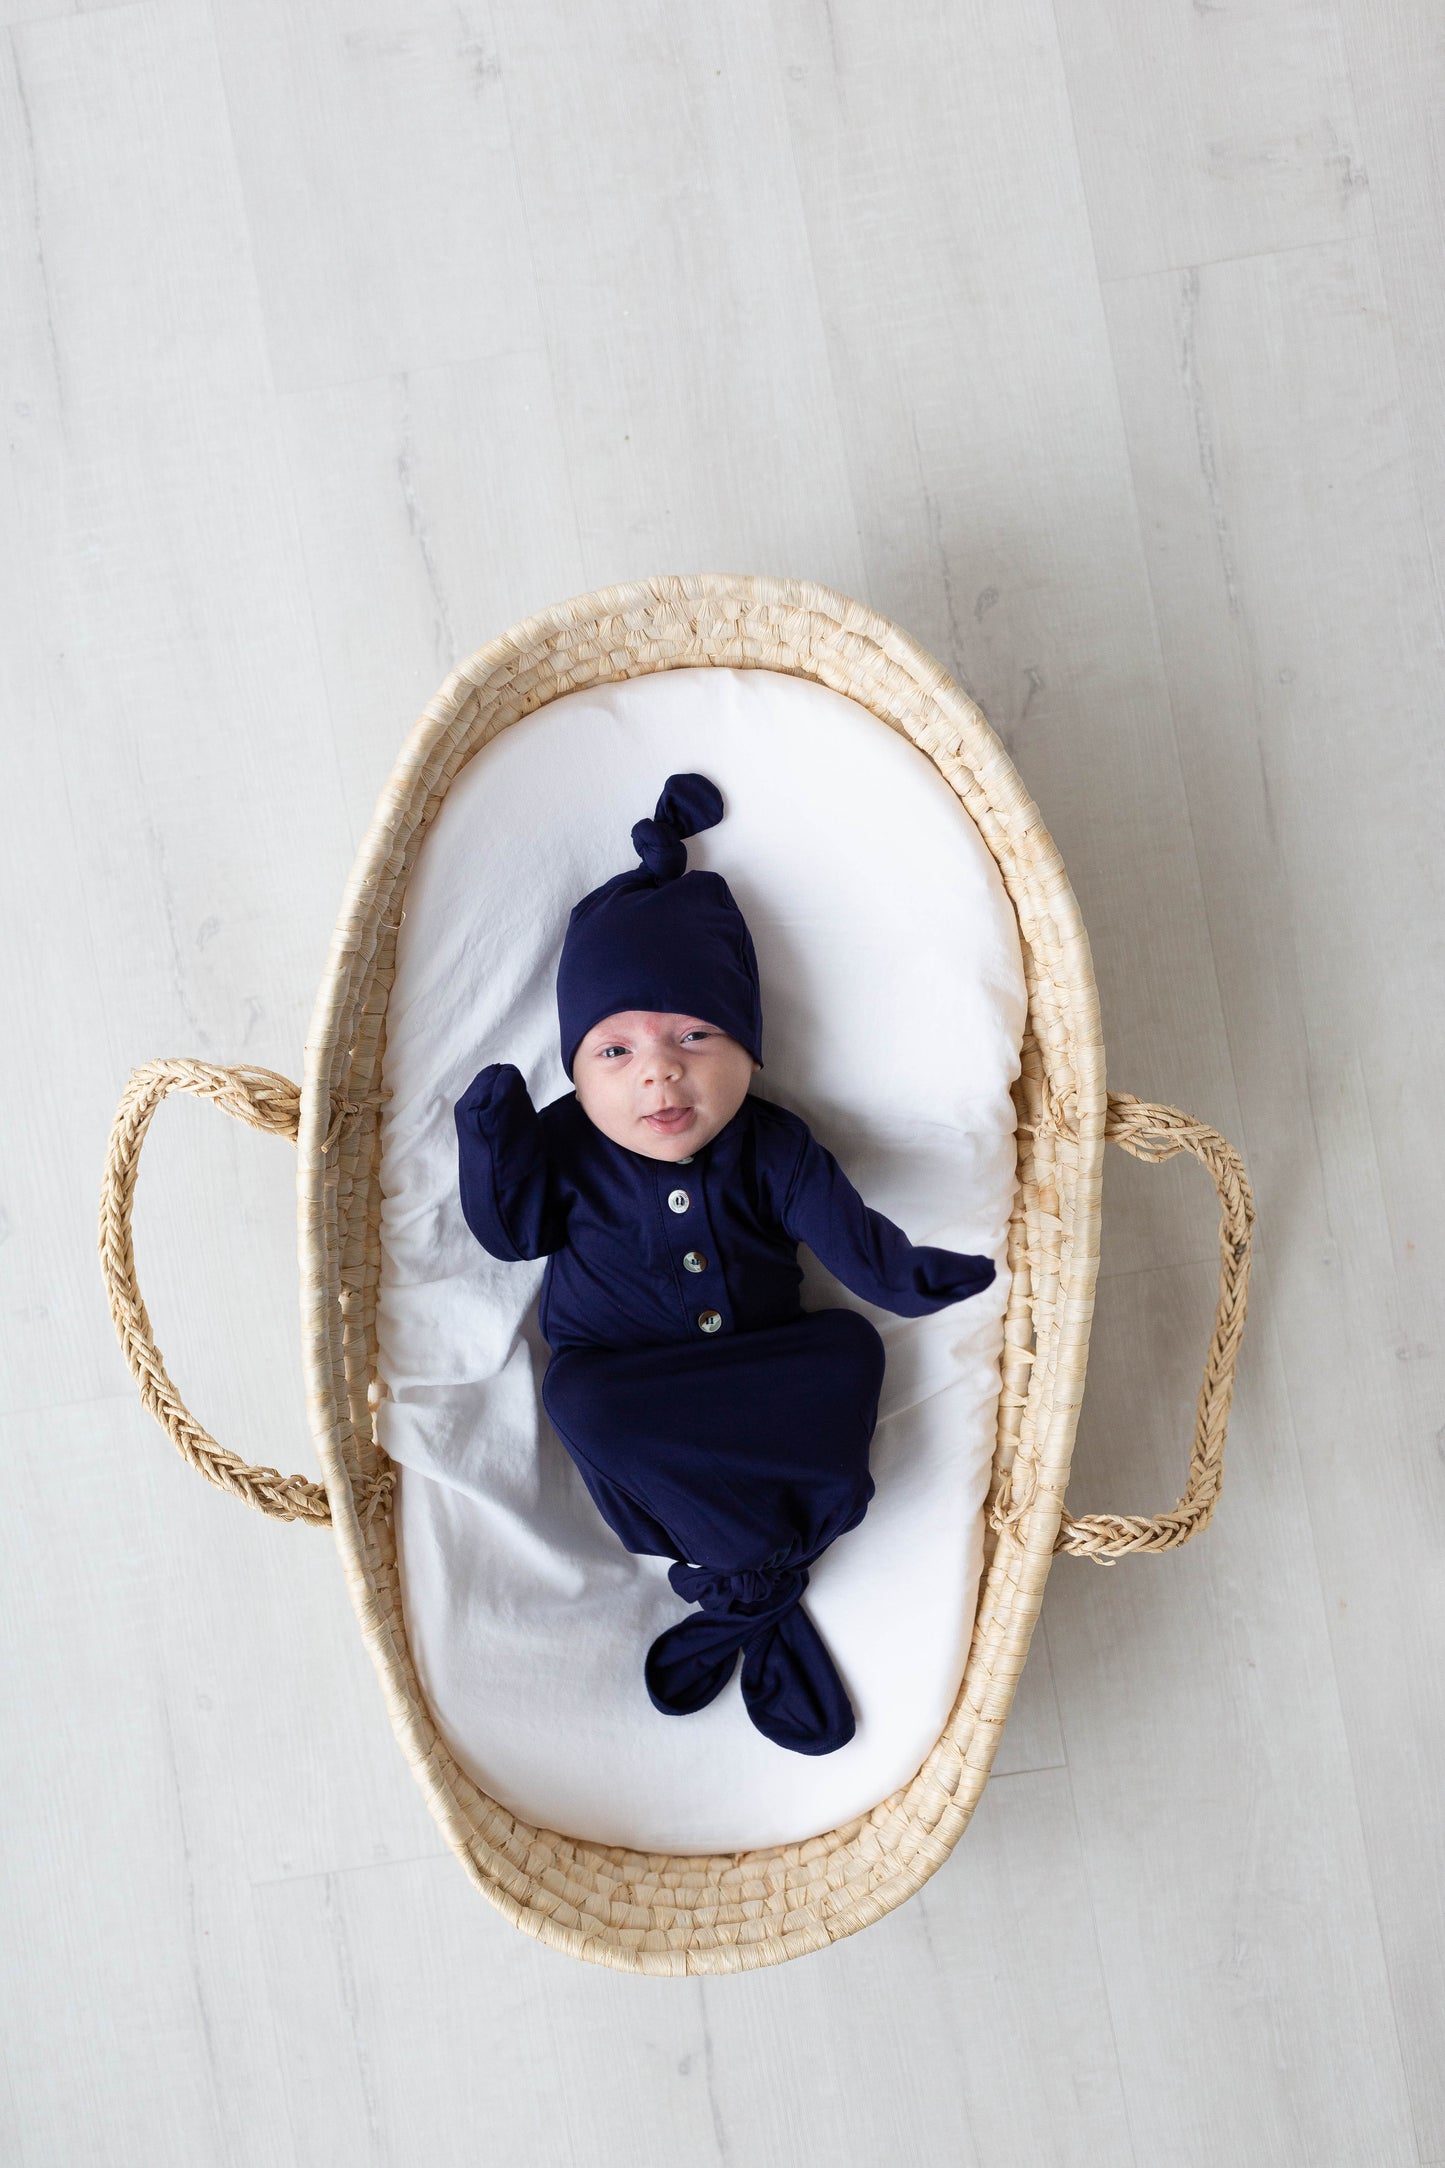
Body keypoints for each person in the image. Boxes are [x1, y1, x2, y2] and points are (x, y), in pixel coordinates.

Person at [454, 773, 996, 1755]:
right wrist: (491, 1140)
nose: (657, 1069)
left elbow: (844, 1230)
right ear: (572, 1069)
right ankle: (758, 1578)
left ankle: (744, 1579)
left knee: (847, 1350)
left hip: (764, 1381)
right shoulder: (565, 1144)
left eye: (692, 1034)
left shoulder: (771, 1143)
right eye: (613, 1050)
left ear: (747, 1047)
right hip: (636, 1397)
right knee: (576, 1396)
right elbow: (510, 1231)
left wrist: (907, 1276)